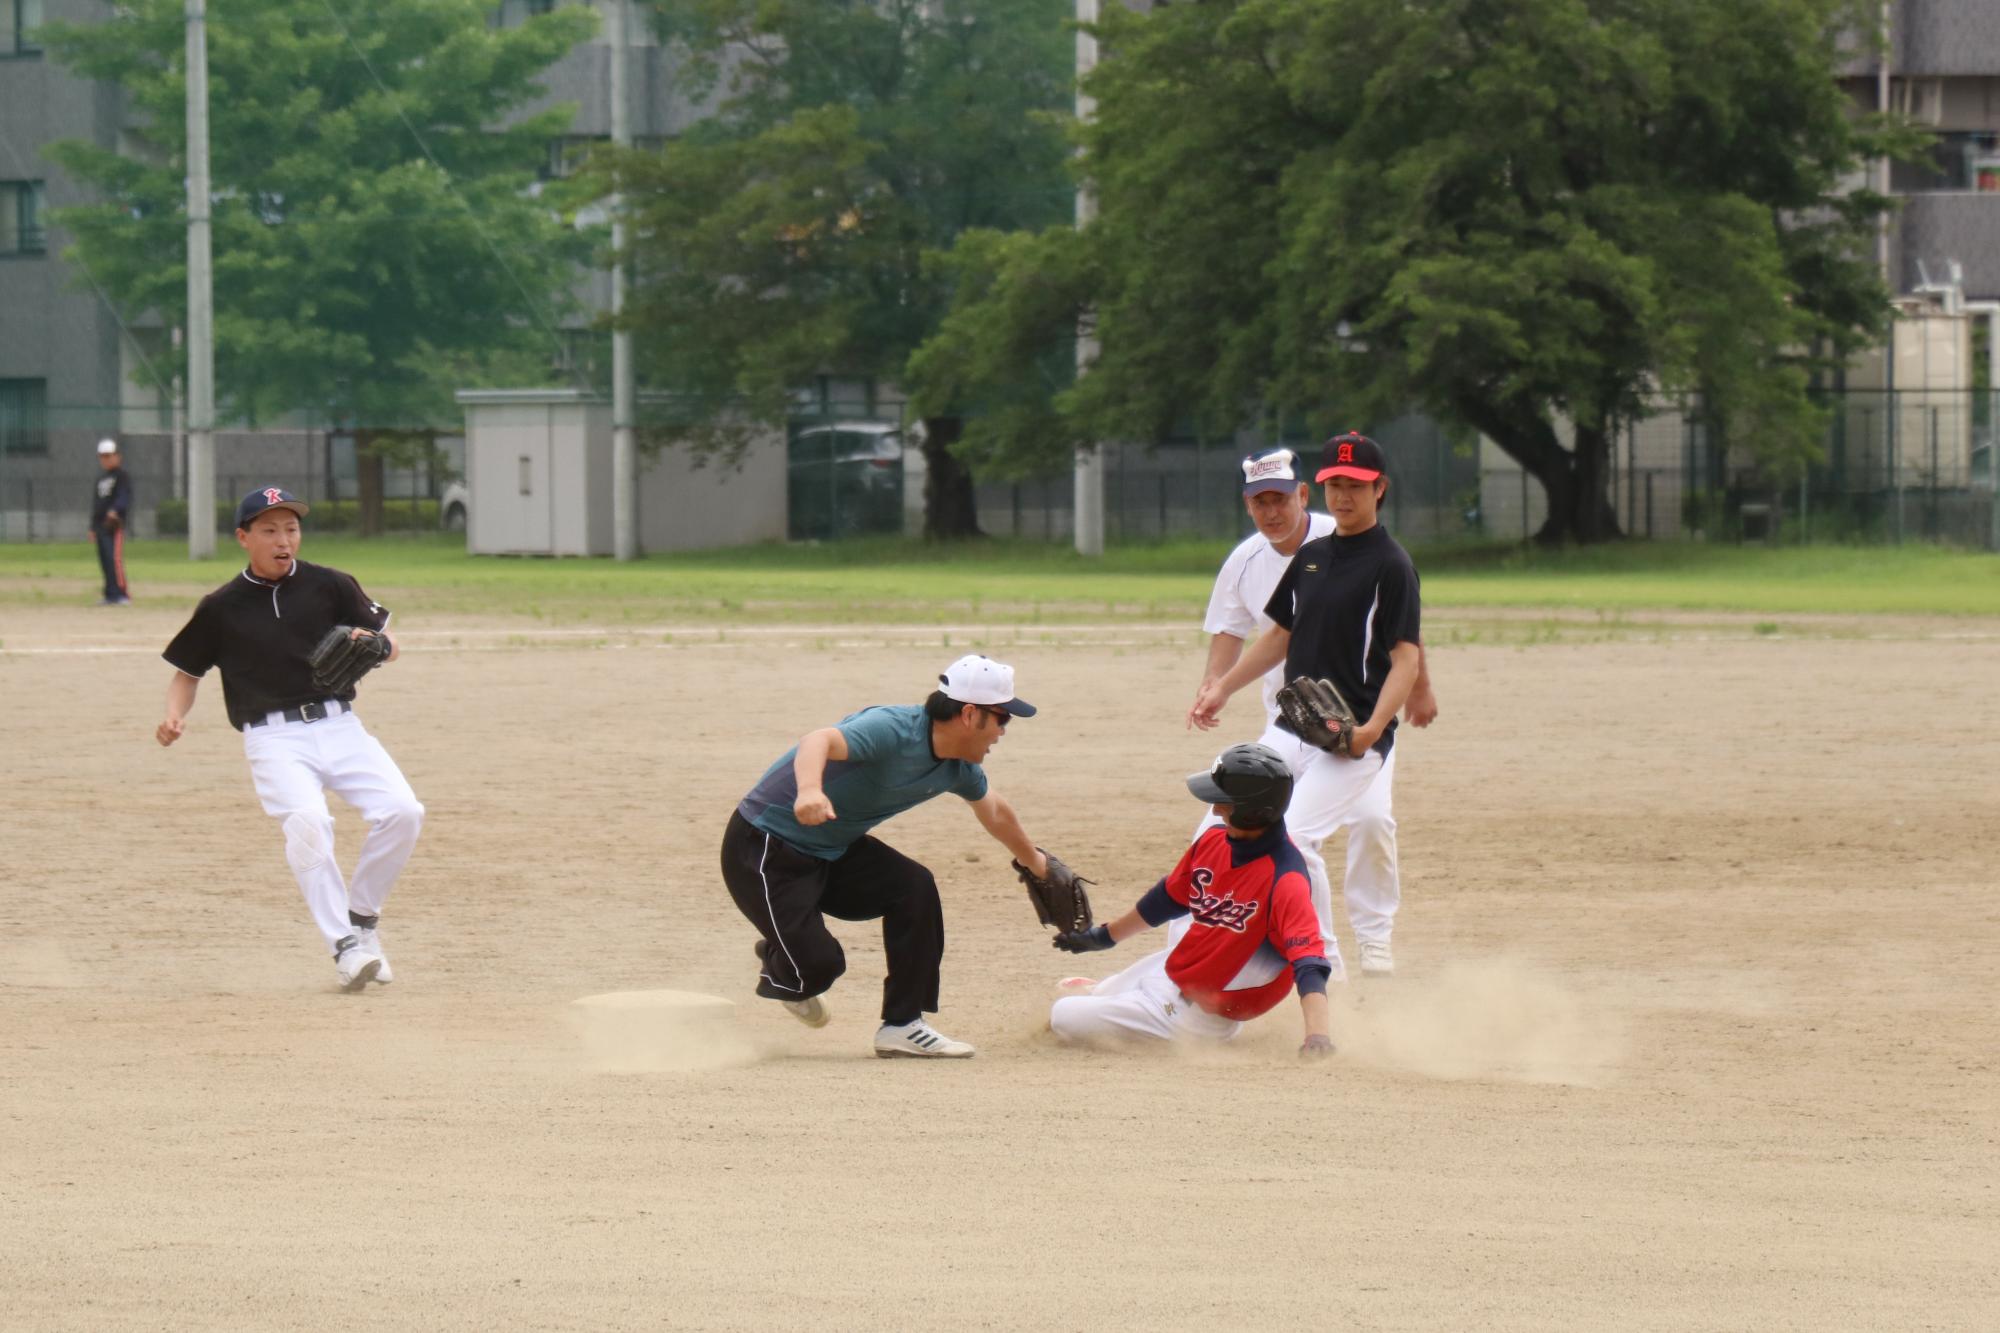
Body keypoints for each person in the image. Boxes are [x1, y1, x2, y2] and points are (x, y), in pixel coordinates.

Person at [722, 654, 1058, 1060]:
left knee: (912, 886)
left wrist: (1035, 862)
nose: (1004, 731)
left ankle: (902, 1025)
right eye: (1002, 718)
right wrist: (810, 790)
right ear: (970, 715)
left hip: (833, 849)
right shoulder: (894, 729)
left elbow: (994, 810)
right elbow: (818, 740)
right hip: (764, 846)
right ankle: (785, 965)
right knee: (819, 966)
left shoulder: (958, 767)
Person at [155, 487, 425, 991]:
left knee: (404, 812)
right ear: (243, 538)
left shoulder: (332, 585)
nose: (284, 539)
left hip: (339, 725)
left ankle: (362, 921)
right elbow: (187, 673)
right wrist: (174, 717)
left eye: (292, 528)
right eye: (270, 530)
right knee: (308, 822)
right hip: (273, 738)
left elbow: (389, 646)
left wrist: (382, 645)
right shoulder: (221, 607)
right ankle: (343, 946)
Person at [1195, 445, 1437, 976]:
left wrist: (1374, 728)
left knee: (1312, 834)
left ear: (1380, 489)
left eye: (1355, 484)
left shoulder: (1391, 564)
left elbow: (1405, 654)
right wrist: (1223, 687)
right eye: (1336, 484)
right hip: (1294, 726)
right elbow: (1279, 633)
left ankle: (1332, 960)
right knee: (1227, 822)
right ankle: (1215, 946)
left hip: (1354, 734)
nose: (1343, 495)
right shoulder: (1314, 555)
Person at [1047, 743, 1335, 1057]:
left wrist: (1317, 1035)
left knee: (1062, 1015)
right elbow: (1167, 899)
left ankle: (1116, 999)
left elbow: (1310, 963)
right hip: (1179, 968)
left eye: (1224, 802)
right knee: (1083, 992)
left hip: (1197, 1018)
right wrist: (1103, 937)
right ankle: (1111, 993)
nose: (1215, 810)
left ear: (1254, 812)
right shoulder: (1214, 841)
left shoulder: (1285, 879)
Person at [90, 438, 132, 605]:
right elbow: (96, 504)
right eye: (103, 456)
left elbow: (124, 497)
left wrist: (115, 510)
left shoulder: (122, 476)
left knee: (114, 559)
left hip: (114, 526)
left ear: (117, 456)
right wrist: (92, 526)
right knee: (104, 559)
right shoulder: (101, 479)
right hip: (100, 525)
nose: (106, 459)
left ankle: (122, 593)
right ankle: (110, 594)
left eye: (109, 455)